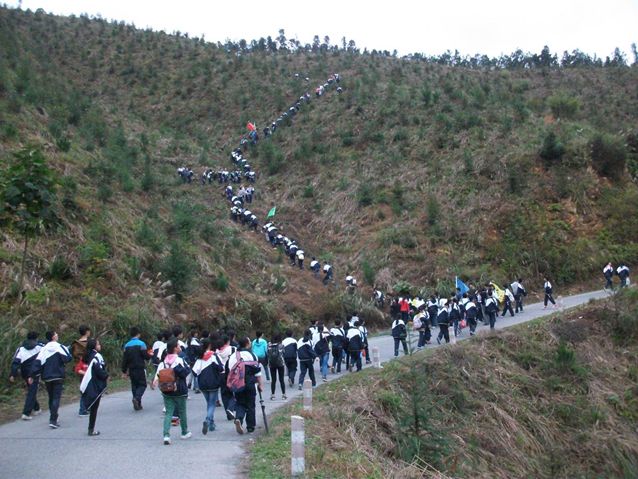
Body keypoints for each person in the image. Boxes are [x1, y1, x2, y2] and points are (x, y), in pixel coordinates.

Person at [29, 331, 72, 429]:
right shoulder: (60, 347)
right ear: (53, 337)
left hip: (47, 377)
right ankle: (53, 419)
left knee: (51, 397)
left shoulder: (44, 349)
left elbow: (37, 363)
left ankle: (53, 416)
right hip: (58, 375)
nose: (57, 335)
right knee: (56, 398)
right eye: (56, 334)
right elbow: (68, 358)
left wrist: (32, 375)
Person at [152, 338, 191, 445]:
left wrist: (155, 382)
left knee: (169, 412)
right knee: (182, 411)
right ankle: (184, 432)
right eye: (178, 346)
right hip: (179, 390)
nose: (179, 347)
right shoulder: (179, 360)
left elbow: (157, 376)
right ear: (174, 348)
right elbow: (186, 372)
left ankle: (166, 435)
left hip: (166, 390)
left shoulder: (163, 362)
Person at [227, 336, 264, 434]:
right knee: (251, 404)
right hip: (250, 382)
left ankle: (238, 418)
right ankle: (250, 427)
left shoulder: (234, 356)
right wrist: (260, 384)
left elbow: (230, 370)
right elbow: (258, 372)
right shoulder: (252, 355)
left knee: (240, 402)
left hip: (238, 383)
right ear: (247, 344)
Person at [192, 338, 224, 435]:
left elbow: (194, 372)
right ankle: (207, 420)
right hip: (213, 383)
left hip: (203, 384)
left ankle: (211, 425)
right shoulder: (214, 356)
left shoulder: (199, 358)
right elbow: (221, 368)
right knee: (212, 404)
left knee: (209, 404)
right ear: (209, 345)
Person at [9, 331, 43, 420]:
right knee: (32, 391)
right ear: (36, 338)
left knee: (31, 389)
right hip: (34, 372)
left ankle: (37, 408)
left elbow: (15, 362)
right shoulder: (40, 346)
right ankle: (26, 413)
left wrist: (13, 374)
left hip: (24, 372)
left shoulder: (20, 349)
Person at [80, 338, 108, 436]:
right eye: (98, 344)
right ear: (94, 346)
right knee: (94, 408)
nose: (100, 346)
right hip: (96, 383)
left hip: (89, 381)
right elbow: (99, 369)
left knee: (93, 407)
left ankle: (91, 428)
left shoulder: (87, 356)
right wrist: (105, 375)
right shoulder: (97, 356)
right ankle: (91, 429)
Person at [121, 327, 149, 411]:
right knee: (142, 385)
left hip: (131, 369)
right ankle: (137, 398)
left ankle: (137, 404)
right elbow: (145, 356)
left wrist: (124, 370)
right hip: (140, 367)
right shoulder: (142, 344)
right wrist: (150, 356)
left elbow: (125, 359)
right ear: (138, 334)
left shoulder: (127, 345)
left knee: (134, 385)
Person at [71, 325, 91, 416]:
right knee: (89, 388)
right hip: (88, 366)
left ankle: (86, 407)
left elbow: (73, 356)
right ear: (87, 332)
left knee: (83, 387)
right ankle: (83, 408)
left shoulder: (75, 344)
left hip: (79, 367)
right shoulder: (90, 343)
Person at [217, 335, 237, 420]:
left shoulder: (217, 351)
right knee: (235, 392)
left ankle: (228, 413)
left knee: (224, 394)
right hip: (231, 373)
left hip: (221, 374)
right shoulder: (233, 349)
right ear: (228, 341)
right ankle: (231, 408)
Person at [267, 335, 287, 400]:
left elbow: (267, 354)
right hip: (280, 364)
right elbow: (284, 353)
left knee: (273, 380)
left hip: (272, 364)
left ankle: (273, 395)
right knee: (281, 380)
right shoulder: (281, 345)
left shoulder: (269, 345)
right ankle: (283, 395)